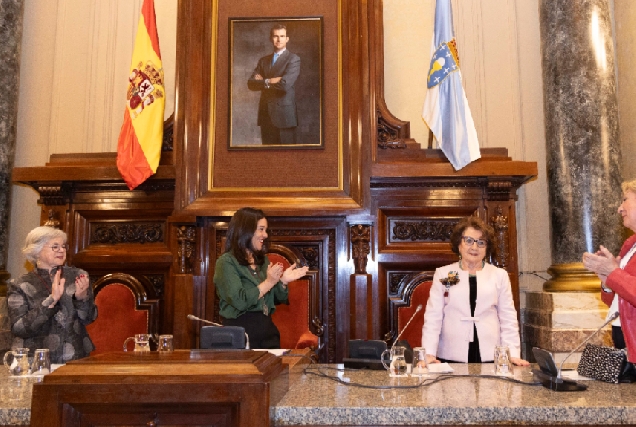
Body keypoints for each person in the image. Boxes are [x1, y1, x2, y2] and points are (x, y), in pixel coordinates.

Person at [421, 216, 529, 366]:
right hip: (451, 352)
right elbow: (433, 317)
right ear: (459, 243)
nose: (474, 247)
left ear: (487, 248)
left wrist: (512, 353)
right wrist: (429, 353)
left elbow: (508, 318)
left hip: (490, 352)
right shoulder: (444, 274)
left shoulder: (499, 275)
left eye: (481, 242)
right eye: (469, 240)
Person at [214, 207, 309, 348]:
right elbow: (240, 300)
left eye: (265, 230)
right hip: (240, 335)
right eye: (261, 229)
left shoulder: (262, 261)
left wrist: (283, 281)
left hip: (267, 332)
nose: (265, 235)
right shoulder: (226, 262)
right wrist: (269, 282)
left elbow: (273, 297)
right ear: (245, 230)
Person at [7, 226, 97, 363]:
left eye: (63, 246)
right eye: (55, 247)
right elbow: (19, 328)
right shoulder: (20, 285)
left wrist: (82, 298)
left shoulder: (78, 276)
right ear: (36, 251)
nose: (61, 250)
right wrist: (52, 300)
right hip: (35, 362)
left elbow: (89, 319)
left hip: (75, 357)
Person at [583, 179, 636, 359]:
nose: (619, 208)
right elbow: (615, 301)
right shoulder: (630, 245)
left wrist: (614, 272)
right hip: (623, 338)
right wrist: (607, 281)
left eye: (625, 200)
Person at [247, 24, 301, 145]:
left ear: (287, 39)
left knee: (286, 157)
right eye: (275, 36)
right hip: (266, 115)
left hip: (285, 116)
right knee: (267, 157)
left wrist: (262, 81)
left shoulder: (293, 59)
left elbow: (284, 85)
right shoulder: (263, 60)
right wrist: (269, 80)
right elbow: (251, 84)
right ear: (271, 38)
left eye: (282, 36)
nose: (279, 39)